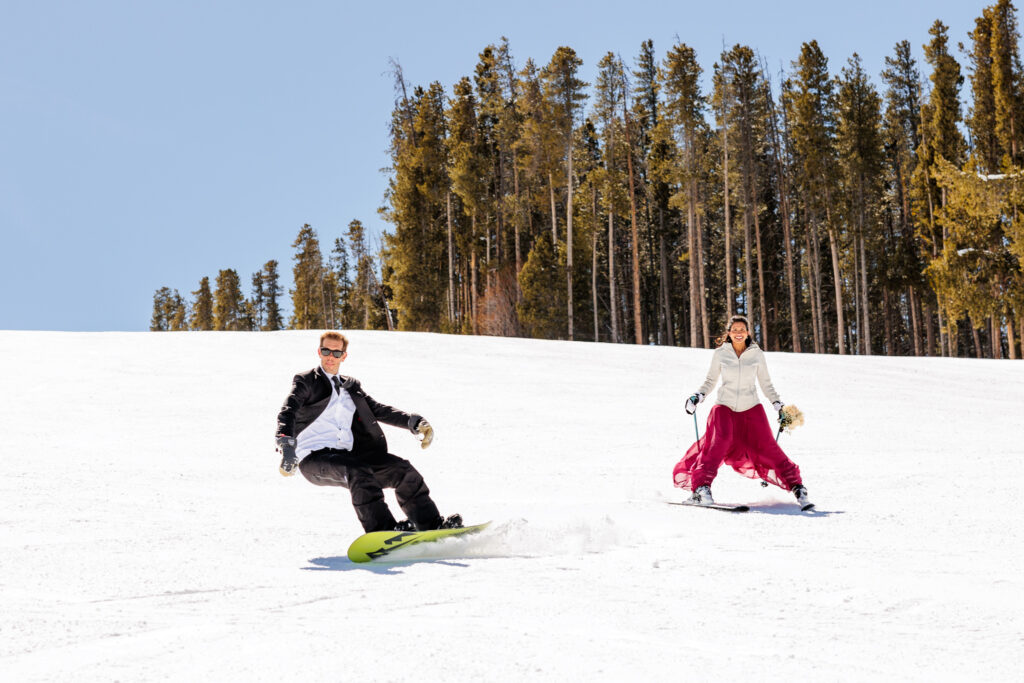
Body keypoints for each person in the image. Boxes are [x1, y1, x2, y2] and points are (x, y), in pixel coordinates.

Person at [275, 331, 462, 533]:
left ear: (344, 356)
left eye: (336, 353)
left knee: (403, 470)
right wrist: (286, 445)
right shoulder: (307, 381)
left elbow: (376, 409)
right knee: (357, 470)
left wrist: (413, 422)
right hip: (313, 459)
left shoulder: (351, 387)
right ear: (319, 352)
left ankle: (432, 526)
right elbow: (289, 410)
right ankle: (384, 531)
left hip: (347, 457)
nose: (331, 356)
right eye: (326, 351)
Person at [672, 315, 812, 509]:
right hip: (724, 407)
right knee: (717, 443)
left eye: (742, 330)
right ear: (729, 333)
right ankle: (701, 489)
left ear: (748, 333)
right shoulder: (721, 354)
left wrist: (778, 405)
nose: (738, 333)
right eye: (734, 330)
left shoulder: (756, 354)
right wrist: (698, 396)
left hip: (751, 408)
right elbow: (710, 381)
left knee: (768, 447)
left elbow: (766, 383)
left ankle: (797, 487)